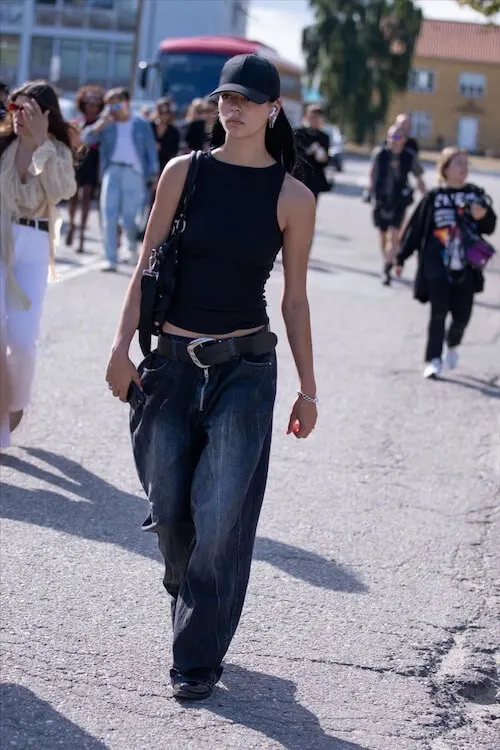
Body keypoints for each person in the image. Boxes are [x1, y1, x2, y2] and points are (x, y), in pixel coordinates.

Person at [105, 53, 318, 700]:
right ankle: (189, 597)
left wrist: (309, 389)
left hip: (244, 372)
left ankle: (196, 657)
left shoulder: (292, 196)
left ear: (273, 109)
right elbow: (146, 265)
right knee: (170, 514)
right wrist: (120, 347)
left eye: (249, 100)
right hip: (168, 368)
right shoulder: (183, 172)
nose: (235, 107)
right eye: (227, 96)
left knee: (221, 519)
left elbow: (296, 299)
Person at [0, 80, 76, 447]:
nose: (18, 116)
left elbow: (62, 191)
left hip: (34, 241)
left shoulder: (57, 150)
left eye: (27, 109)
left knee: (23, 342)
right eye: (14, 108)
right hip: (0, 237)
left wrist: (40, 144)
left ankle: (14, 403)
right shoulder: (3, 144)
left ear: (45, 114)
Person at [395, 147, 496, 379]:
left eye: (466, 163)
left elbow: (489, 227)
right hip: (436, 265)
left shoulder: (476, 195)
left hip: (466, 268)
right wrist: (400, 258)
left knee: (461, 317)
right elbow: (415, 229)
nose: (463, 168)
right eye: (458, 163)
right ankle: (433, 359)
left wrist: (483, 217)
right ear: (446, 168)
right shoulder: (433, 197)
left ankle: (452, 344)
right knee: (438, 313)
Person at [83, 87, 159, 272]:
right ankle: (111, 258)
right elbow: (84, 138)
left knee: (129, 218)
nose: (114, 108)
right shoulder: (108, 124)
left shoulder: (141, 123)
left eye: (117, 103)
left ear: (127, 102)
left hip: (134, 173)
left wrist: (155, 174)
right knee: (108, 215)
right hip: (112, 170)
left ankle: (131, 247)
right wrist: (100, 123)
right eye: (111, 105)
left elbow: (150, 150)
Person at [368, 125, 426, 285]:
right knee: (382, 235)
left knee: (394, 235)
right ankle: (387, 259)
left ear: (404, 140)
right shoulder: (380, 154)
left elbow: (419, 177)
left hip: (399, 201)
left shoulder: (409, 156)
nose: (394, 141)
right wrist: (370, 191)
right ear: (387, 138)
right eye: (392, 137)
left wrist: (426, 196)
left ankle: (386, 269)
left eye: (398, 137)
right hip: (381, 200)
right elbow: (372, 173)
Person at [66, 85, 105, 254]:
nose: (92, 106)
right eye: (89, 102)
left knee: (87, 197)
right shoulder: (78, 122)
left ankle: (82, 234)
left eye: (96, 103)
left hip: (93, 162)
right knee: (73, 197)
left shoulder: (103, 123)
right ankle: (71, 225)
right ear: (83, 103)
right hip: (77, 161)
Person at [294, 105, 330, 200]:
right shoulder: (299, 133)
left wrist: (323, 157)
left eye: (318, 117)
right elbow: (294, 156)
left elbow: (326, 162)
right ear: (307, 116)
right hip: (299, 178)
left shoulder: (324, 137)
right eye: (313, 117)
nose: (316, 120)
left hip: (315, 180)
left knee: (311, 208)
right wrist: (309, 152)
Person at [151, 97, 180, 172]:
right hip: (149, 166)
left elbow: (174, 152)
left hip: (164, 167)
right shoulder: (150, 127)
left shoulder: (174, 131)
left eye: (167, 112)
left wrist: (161, 148)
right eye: (161, 112)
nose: (164, 115)